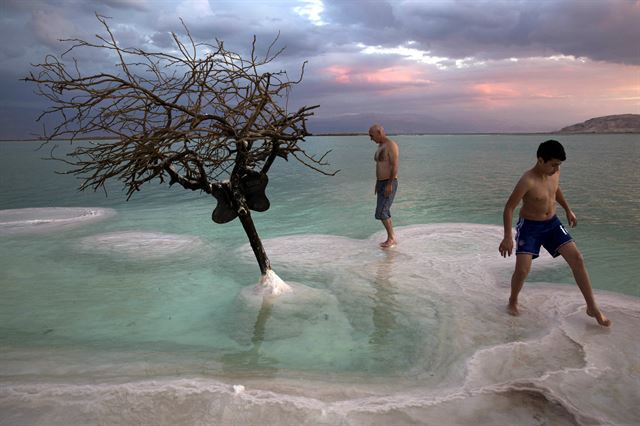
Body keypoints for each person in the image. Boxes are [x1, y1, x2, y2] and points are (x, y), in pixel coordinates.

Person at [498, 140, 611, 327]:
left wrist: (568, 209)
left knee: (577, 259)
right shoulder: (527, 180)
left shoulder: (555, 172)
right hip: (530, 227)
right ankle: (513, 300)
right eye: (553, 164)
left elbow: (555, 189)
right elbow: (509, 208)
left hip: (552, 224)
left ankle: (592, 307)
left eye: (558, 165)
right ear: (540, 160)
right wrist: (507, 237)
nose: (556, 169)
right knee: (523, 269)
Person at [369, 124, 399, 248]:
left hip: (389, 182)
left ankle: (391, 238)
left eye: (372, 135)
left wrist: (389, 184)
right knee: (384, 210)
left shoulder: (391, 145)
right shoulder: (380, 146)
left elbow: (394, 166)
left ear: (379, 132)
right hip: (381, 182)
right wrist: (377, 183)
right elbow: (379, 166)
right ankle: (392, 237)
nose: (371, 138)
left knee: (381, 212)